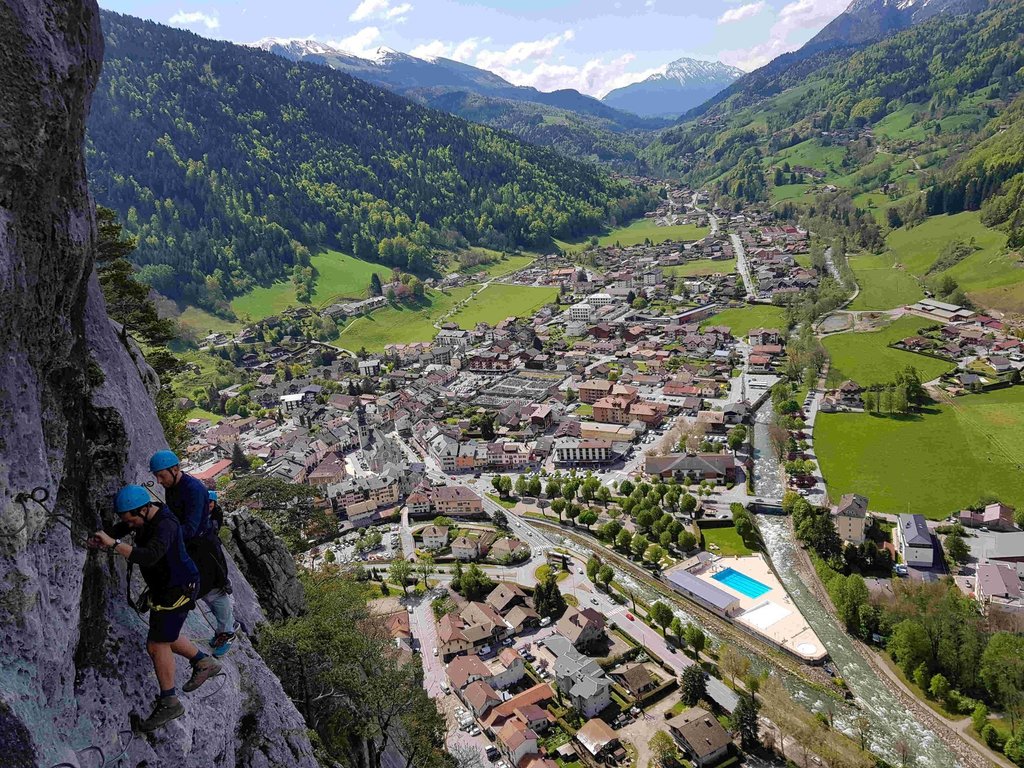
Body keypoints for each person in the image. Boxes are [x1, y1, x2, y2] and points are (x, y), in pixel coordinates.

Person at [90, 485, 222, 732]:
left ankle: (169, 701)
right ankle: (204, 662)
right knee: (166, 635)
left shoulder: (167, 525)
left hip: (178, 589)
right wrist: (104, 535)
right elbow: (125, 526)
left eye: (131, 519)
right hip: (168, 588)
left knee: (156, 644)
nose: (129, 525)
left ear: (142, 509)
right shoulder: (144, 516)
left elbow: (150, 555)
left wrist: (114, 544)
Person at [150, 450, 237, 657]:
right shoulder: (173, 486)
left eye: (162, 476)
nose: (159, 481)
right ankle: (224, 627)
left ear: (175, 469)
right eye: (157, 476)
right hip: (191, 546)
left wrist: (165, 534)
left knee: (214, 590)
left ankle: (227, 632)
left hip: (203, 548)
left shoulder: (194, 490)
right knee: (203, 588)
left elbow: (192, 527)